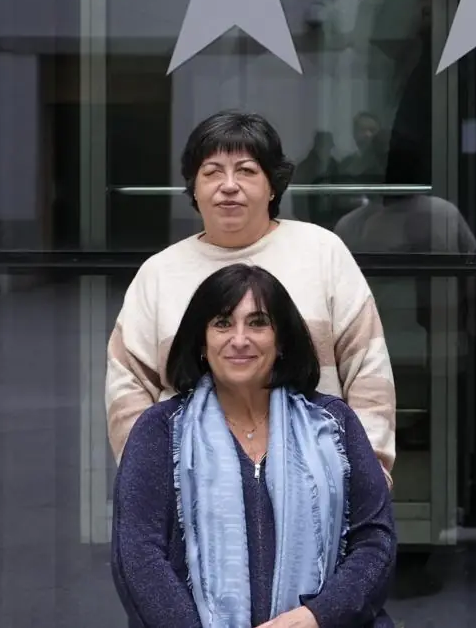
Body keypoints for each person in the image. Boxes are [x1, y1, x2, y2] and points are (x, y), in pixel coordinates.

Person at [104, 110, 396, 485]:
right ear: (194, 186)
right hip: (189, 489)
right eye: (211, 172)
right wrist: (152, 481)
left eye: (246, 170)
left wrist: (367, 473)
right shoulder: (160, 272)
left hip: (318, 483)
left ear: (272, 185)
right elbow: (126, 385)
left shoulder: (322, 252)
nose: (228, 185)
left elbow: (368, 369)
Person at [111, 263, 396, 627]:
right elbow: (139, 558)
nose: (240, 339)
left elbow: (375, 541)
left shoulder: (334, 423)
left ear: (281, 341)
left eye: (258, 323)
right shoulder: (159, 431)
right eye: (223, 323)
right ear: (202, 341)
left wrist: (317, 617)